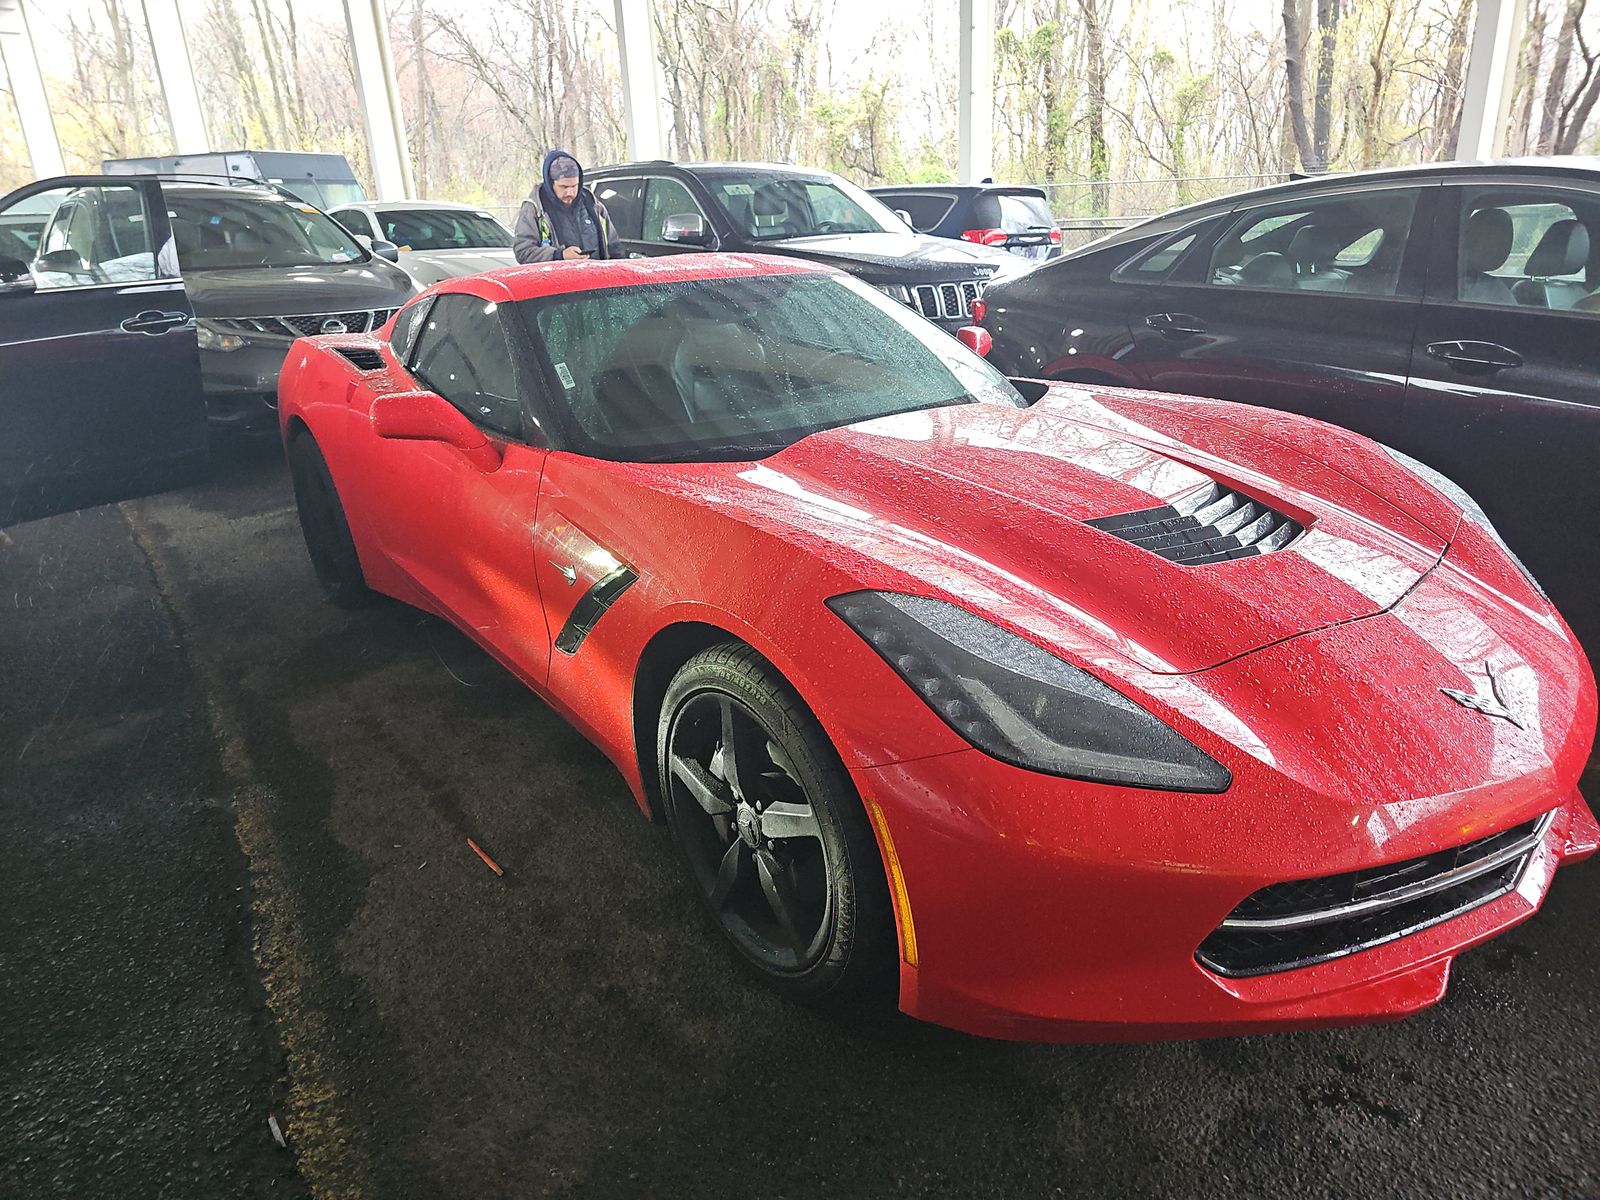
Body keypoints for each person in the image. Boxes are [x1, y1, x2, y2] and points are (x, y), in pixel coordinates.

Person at [512, 150, 622, 264]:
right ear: (550, 183)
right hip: (557, 279)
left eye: (574, 186)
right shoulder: (535, 209)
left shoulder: (593, 205)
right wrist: (559, 255)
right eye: (563, 187)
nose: (570, 192)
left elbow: (614, 247)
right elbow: (523, 252)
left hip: (596, 277)